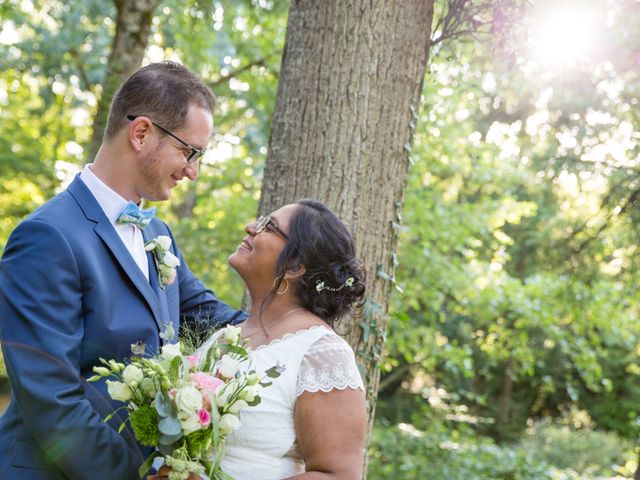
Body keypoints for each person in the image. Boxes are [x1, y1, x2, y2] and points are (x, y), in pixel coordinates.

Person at [0, 61, 246, 480]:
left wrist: (303, 325)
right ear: (142, 133)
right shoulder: (47, 237)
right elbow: (51, 400)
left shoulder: (157, 232)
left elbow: (214, 321)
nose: (193, 170)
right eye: (189, 151)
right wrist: (138, 474)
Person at [151, 199, 368, 480]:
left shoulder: (320, 353)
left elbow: (339, 475)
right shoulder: (223, 336)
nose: (251, 227)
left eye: (269, 226)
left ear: (294, 265)